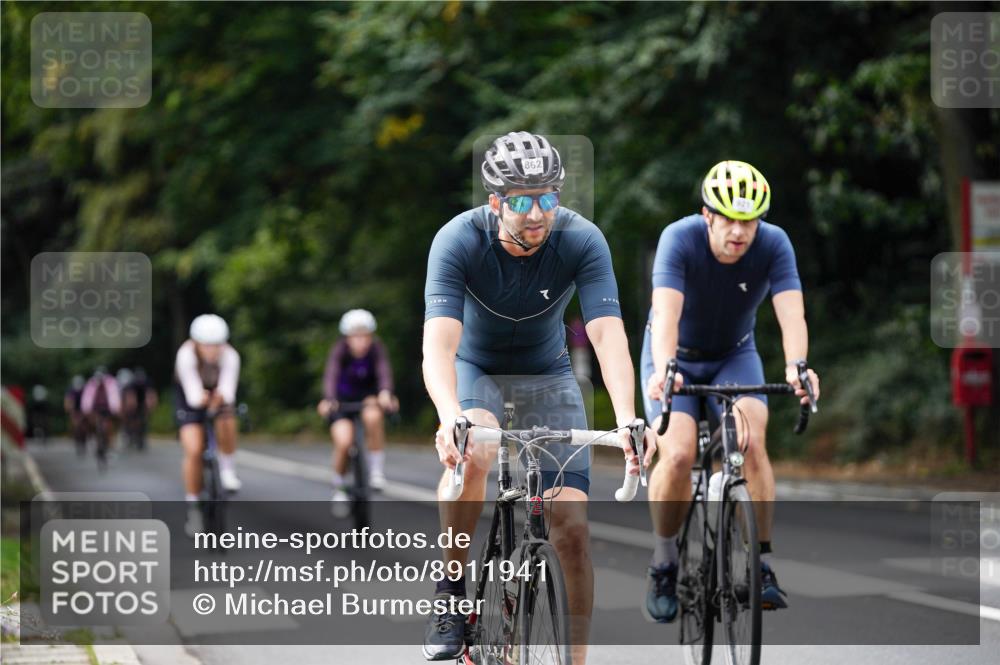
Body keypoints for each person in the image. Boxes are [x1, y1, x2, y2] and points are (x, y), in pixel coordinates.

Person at [421, 131, 655, 663]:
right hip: (475, 370)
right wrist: (448, 415)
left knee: (571, 530)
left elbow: (607, 333)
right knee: (475, 452)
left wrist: (627, 418)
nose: (536, 213)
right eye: (522, 201)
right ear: (495, 202)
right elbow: (439, 344)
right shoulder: (457, 239)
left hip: (546, 374)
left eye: (548, 197)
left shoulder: (581, 239)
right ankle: (452, 592)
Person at [641, 160, 821, 622]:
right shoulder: (678, 239)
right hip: (675, 355)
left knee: (749, 440)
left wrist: (798, 366)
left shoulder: (774, 244)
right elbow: (665, 316)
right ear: (708, 215)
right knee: (678, 453)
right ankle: (664, 562)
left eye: (750, 221)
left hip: (733, 356)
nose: (741, 231)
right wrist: (665, 369)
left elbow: (791, 315)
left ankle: (759, 565)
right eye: (731, 220)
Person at [317, 308, 398, 516]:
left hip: (367, 399)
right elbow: (331, 376)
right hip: (341, 404)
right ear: (347, 338)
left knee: (373, 416)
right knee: (344, 442)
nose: (361, 341)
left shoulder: (376, 350)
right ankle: (339, 487)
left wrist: (386, 393)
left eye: (365, 336)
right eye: (356, 337)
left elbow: (383, 372)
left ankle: (376, 472)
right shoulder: (339, 351)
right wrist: (329, 400)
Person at [175, 314, 242, 536]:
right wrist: (204, 400)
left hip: (216, 395)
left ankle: (227, 468)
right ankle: (193, 507)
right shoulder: (185, 355)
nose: (213, 351)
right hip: (189, 395)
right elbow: (194, 396)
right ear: (196, 343)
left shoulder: (231, 356)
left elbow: (228, 392)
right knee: (193, 449)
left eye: (217, 345)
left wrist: (218, 400)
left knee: (228, 417)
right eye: (207, 346)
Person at [80, 367, 121, 460]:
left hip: (107, 408)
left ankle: (110, 447)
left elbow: (114, 396)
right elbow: (87, 397)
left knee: (109, 426)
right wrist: (86, 409)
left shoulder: (111, 383)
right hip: (96, 408)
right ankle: (95, 439)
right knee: (93, 423)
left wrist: (115, 408)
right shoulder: (91, 384)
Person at [64, 375, 88, 454]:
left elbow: (88, 402)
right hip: (74, 409)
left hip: (83, 408)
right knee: (76, 425)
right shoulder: (70, 390)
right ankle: (77, 440)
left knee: (84, 426)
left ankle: (84, 440)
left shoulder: (85, 390)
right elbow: (68, 402)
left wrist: (84, 413)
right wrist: (70, 411)